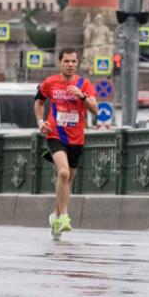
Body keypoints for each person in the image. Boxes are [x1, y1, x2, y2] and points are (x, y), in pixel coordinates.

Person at [35, 48, 97, 240]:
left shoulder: (84, 84)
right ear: (60, 62)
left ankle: (55, 216)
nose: (70, 65)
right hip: (55, 134)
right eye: (67, 61)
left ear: (77, 63)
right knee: (63, 173)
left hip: (76, 138)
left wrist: (82, 96)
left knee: (67, 181)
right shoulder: (50, 82)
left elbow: (95, 109)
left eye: (73, 61)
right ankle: (63, 216)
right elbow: (38, 102)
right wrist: (40, 122)